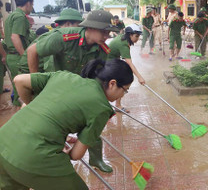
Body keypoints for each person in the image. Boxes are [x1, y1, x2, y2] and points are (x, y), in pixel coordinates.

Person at [0, 59, 133, 190]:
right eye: (125, 90)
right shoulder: (102, 108)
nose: (123, 94)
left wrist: (32, 107)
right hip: (32, 156)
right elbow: (76, 155)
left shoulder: (64, 76)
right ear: (112, 83)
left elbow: (19, 80)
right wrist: (64, 150)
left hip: (4, 141)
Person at [27, 10, 119, 173]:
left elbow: (99, 78)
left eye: (108, 32)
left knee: (93, 119)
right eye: (104, 31)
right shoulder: (65, 37)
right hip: (54, 85)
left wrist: (101, 105)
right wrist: (36, 86)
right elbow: (32, 51)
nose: (107, 35)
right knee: (53, 125)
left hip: (79, 86)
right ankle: (55, 161)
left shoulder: (103, 50)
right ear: (90, 28)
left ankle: (96, 159)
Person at [19, 8, 83, 74]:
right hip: (28, 72)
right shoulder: (56, 38)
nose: (80, 29)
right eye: (79, 26)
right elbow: (49, 67)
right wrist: (34, 80)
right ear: (68, 24)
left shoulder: (61, 35)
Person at [4, 0, 34, 106]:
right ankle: (20, 114)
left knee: (17, 87)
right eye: (32, 5)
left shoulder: (11, 16)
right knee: (23, 89)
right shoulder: (20, 17)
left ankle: (17, 112)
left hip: (11, 55)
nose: (32, 8)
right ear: (28, 4)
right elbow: (14, 37)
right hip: (17, 56)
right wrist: (24, 56)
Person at [108, 24, 145, 112]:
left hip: (113, 60)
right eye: (136, 36)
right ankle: (117, 105)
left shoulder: (123, 38)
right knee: (123, 79)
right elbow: (129, 63)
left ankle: (117, 104)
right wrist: (139, 77)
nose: (138, 38)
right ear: (130, 35)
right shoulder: (123, 45)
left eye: (138, 36)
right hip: (107, 62)